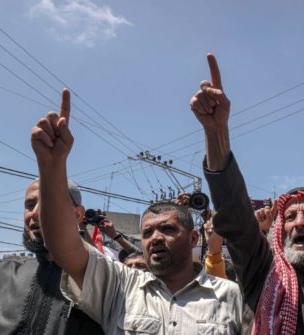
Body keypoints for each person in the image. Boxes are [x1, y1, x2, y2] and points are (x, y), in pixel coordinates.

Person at [30, 88, 242, 334]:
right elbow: (62, 246)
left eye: (167, 229)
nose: (156, 238)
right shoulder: (120, 285)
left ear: (193, 238)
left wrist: (217, 134)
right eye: (148, 232)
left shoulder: (230, 296)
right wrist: (52, 165)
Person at [190, 53, 304, 334]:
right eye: (290, 216)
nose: (298, 222)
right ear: (280, 228)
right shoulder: (261, 271)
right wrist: (217, 134)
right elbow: (236, 218)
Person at [0, 179, 104, 334]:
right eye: (29, 205)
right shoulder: (2, 274)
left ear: (78, 214)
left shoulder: (103, 284)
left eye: (48, 203)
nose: (35, 213)